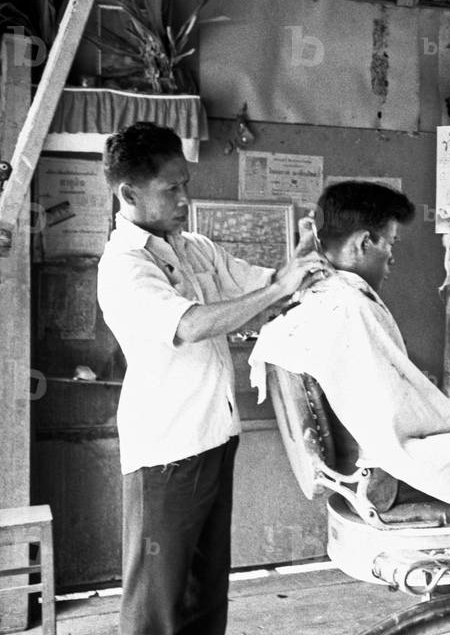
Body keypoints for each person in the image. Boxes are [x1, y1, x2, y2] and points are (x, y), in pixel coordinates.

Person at [97, 122, 328, 634]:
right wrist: (276, 291)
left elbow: (265, 288)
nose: (185, 198)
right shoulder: (125, 267)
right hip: (166, 452)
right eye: (171, 189)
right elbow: (190, 325)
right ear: (128, 192)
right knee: (157, 601)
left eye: (186, 183)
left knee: (205, 593)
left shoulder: (193, 247)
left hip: (215, 439)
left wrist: (301, 256)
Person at [250, 181, 450, 517]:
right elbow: (396, 420)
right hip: (390, 473)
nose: (392, 256)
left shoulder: (313, 300)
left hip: (369, 459)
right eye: (390, 243)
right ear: (365, 242)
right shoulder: (349, 307)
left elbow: (386, 405)